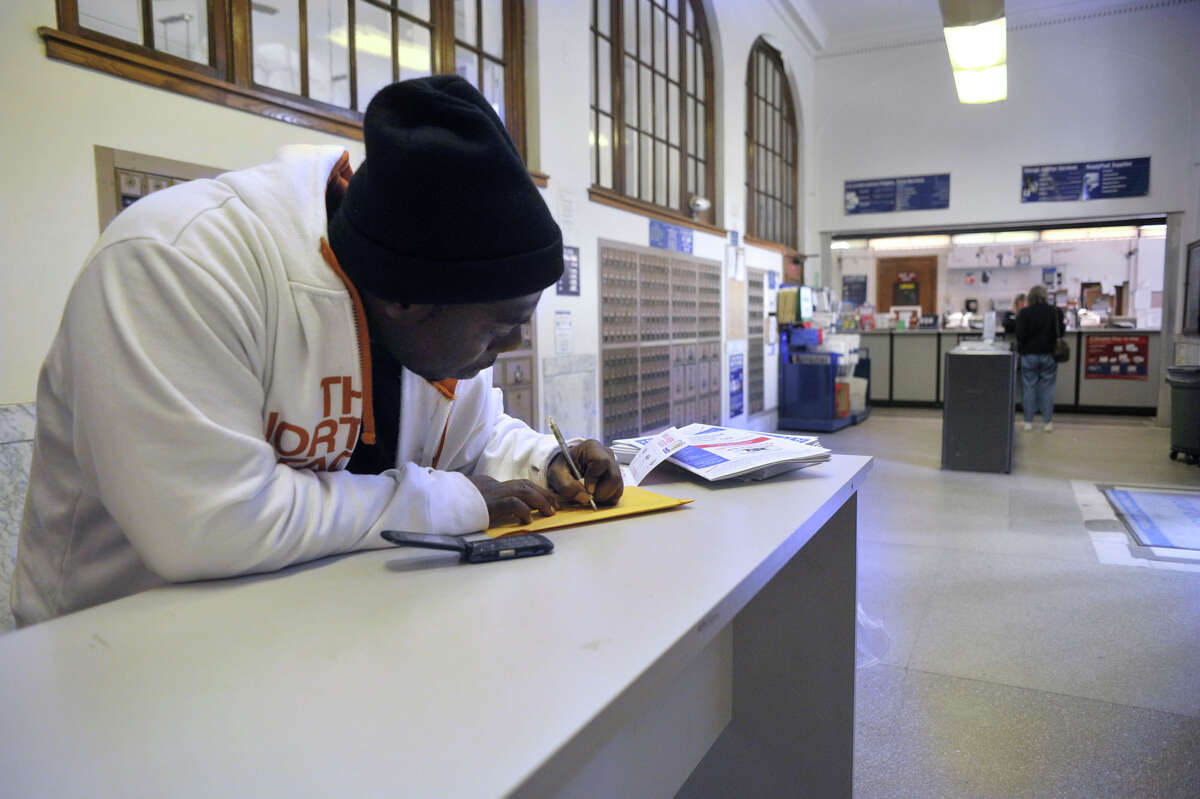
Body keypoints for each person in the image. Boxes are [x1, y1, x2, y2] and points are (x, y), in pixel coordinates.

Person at [11, 76, 623, 626]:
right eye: (497, 330)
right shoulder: (175, 262)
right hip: (115, 652)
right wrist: (448, 501)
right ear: (406, 300)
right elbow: (210, 526)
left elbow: (474, 437)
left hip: (319, 629)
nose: (508, 349)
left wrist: (546, 461)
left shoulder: (422, 298)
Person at [1014, 284, 1065, 432]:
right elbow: (1060, 333)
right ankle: (1047, 423)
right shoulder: (1055, 312)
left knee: (1029, 387)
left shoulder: (1024, 313)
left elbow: (1020, 335)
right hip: (1049, 355)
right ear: (1045, 296)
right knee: (1048, 388)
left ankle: (1028, 422)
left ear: (1030, 297)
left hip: (1029, 355)